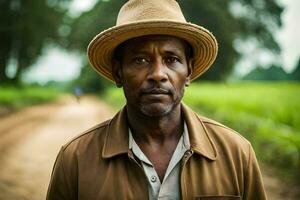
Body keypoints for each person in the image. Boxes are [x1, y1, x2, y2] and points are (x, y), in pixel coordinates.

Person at [47, 0, 267, 199]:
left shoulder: (237, 153)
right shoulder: (75, 160)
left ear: (188, 71)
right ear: (118, 72)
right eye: (140, 59)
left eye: (171, 59)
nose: (158, 74)